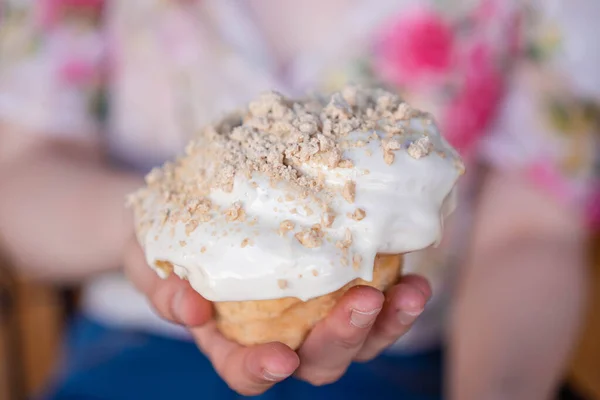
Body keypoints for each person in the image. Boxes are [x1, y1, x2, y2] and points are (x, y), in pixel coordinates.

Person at [0, 0, 597, 399]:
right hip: (137, 346)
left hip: (425, 357)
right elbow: (22, 169)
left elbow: (531, 234)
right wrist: (144, 234)